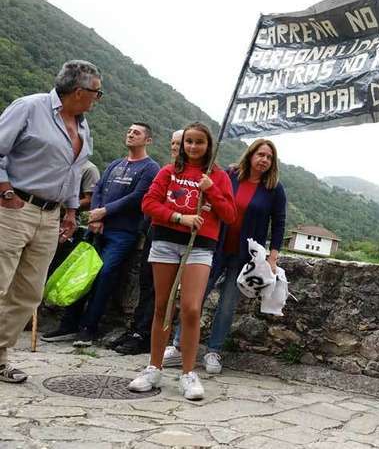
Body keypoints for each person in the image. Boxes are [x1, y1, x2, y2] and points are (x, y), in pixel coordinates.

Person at [0, 60, 100, 384]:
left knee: (29, 293)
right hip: (15, 206)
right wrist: (5, 192)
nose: (98, 99)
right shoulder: (29, 107)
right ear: (78, 91)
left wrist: (71, 212)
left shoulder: (83, 127)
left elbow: (73, 172)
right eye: (97, 93)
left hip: (50, 214)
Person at [129, 122, 235, 400]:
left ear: (208, 145)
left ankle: (188, 373)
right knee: (162, 307)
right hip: (165, 241)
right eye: (189, 141)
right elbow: (148, 204)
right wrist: (180, 218)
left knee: (190, 309)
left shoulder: (218, 176)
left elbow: (230, 215)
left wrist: (211, 189)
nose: (193, 147)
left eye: (199, 142)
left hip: (199, 247)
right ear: (182, 144)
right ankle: (154, 367)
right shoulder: (168, 171)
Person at [164, 138, 287, 373]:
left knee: (227, 305)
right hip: (214, 247)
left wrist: (273, 257)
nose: (264, 160)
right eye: (261, 154)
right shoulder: (231, 175)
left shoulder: (274, 188)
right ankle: (179, 348)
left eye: (269, 157)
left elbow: (279, 224)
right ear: (250, 155)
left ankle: (213, 351)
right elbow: (211, 198)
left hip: (245, 258)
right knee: (195, 298)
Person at [41, 123, 160, 347]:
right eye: (129, 130)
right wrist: (95, 217)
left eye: (137, 132)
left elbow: (137, 197)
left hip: (123, 232)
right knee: (82, 274)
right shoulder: (116, 164)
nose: (131, 134)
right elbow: (98, 190)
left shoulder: (150, 168)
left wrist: (104, 211)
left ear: (148, 140)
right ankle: (68, 324)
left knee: (104, 275)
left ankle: (88, 328)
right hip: (99, 229)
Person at [113, 130, 184, 355]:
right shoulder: (165, 171)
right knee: (145, 284)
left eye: (179, 143)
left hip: (171, 238)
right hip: (153, 233)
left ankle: (144, 335)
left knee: (158, 290)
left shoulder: (188, 177)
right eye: (172, 142)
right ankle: (136, 329)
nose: (174, 147)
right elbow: (149, 202)